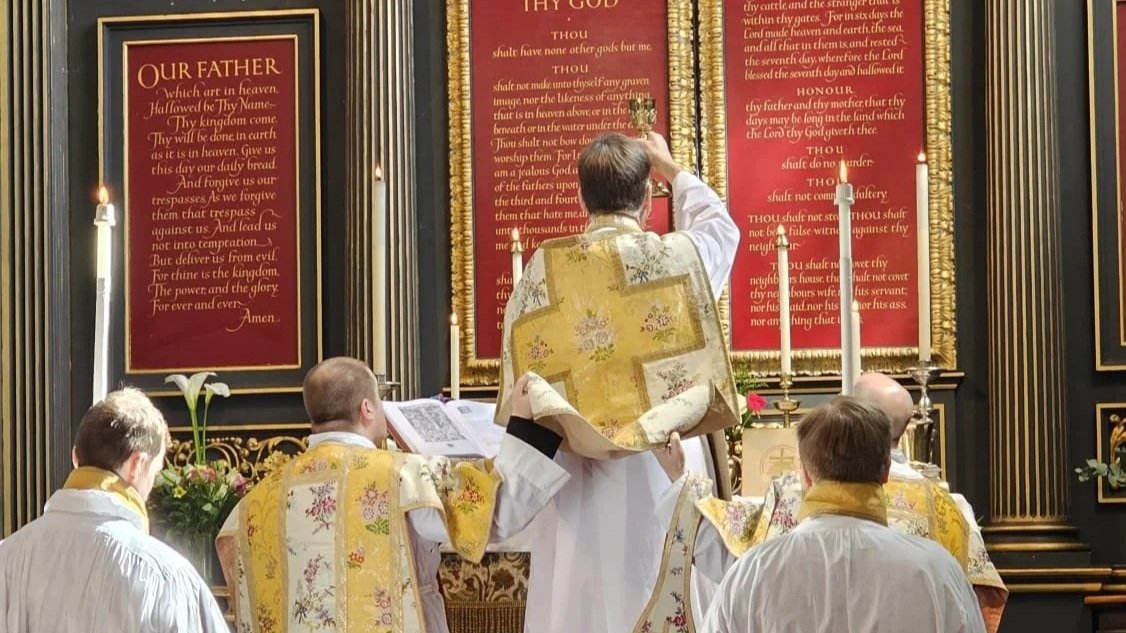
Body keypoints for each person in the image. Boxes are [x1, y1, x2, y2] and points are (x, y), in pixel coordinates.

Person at [495, 131, 742, 633]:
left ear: (581, 198)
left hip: (575, 472)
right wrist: (671, 167)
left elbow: (524, 378)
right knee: (660, 571)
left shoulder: (543, 271)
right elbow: (722, 229)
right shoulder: (679, 259)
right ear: (648, 199)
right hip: (660, 463)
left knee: (576, 596)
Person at [216, 357, 569, 633]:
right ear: (367, 409)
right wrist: (526, 425)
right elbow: (497, 512)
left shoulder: (254, 504)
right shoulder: (401, 478)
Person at [642, 374, 1007, 632]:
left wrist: (679, 480)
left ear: (804, 474)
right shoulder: (939, 571)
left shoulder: (752, 572)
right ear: (885, 470)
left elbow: (715, 546)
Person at [0, 388, 229, 632]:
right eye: (155, 471)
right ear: (137, 464)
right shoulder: (169, 577)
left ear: (76, 458)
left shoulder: (6, 557)